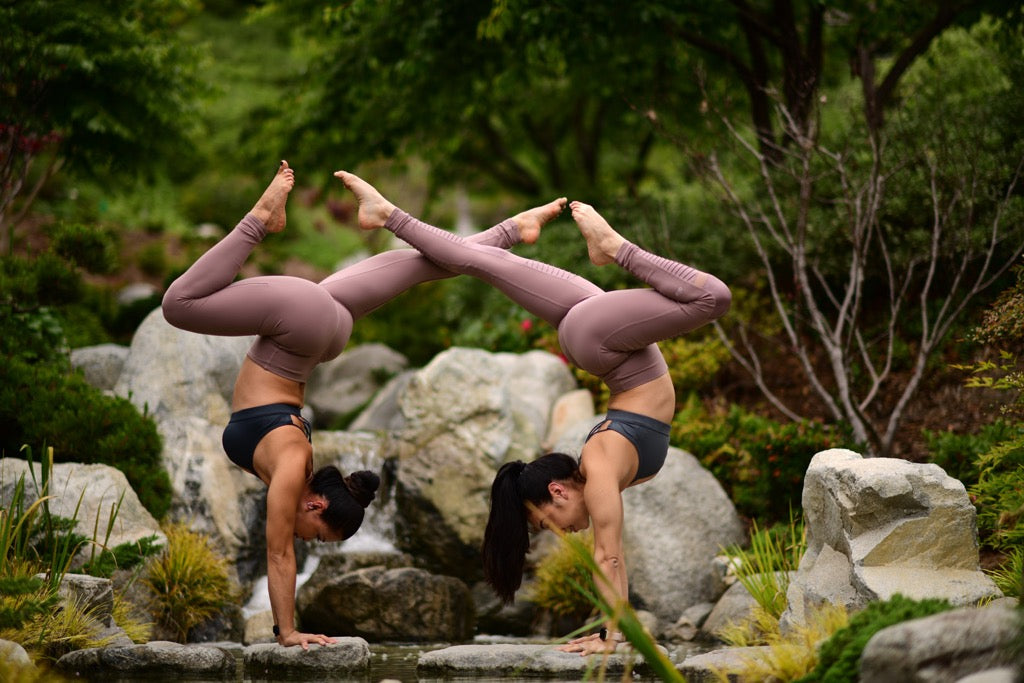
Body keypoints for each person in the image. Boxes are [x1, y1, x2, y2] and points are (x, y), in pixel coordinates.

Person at [161, 161, 566, 648]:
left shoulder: (292, 463)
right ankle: (261, 220)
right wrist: (287, 632)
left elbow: (281, 553)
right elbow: (278, 557)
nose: (304, 539)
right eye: (315, 533)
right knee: (178, 305)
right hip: (305, 324)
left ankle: (510, 229)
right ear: (315, 503)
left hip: (320, 332)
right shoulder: (291, 465)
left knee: (419, 269)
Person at [334, 169, 731, 656]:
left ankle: (605, 247)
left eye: (548, 521)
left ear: (558, 490)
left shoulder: (602, 465)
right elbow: (611, 559)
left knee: (713, 297)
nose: (562, 533)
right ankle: (438, 221)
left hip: (598, 339)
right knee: (487, 264)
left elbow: (608, 556)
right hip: (599, 334)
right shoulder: (603, 465)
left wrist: (610, 636)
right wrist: (613, 630)